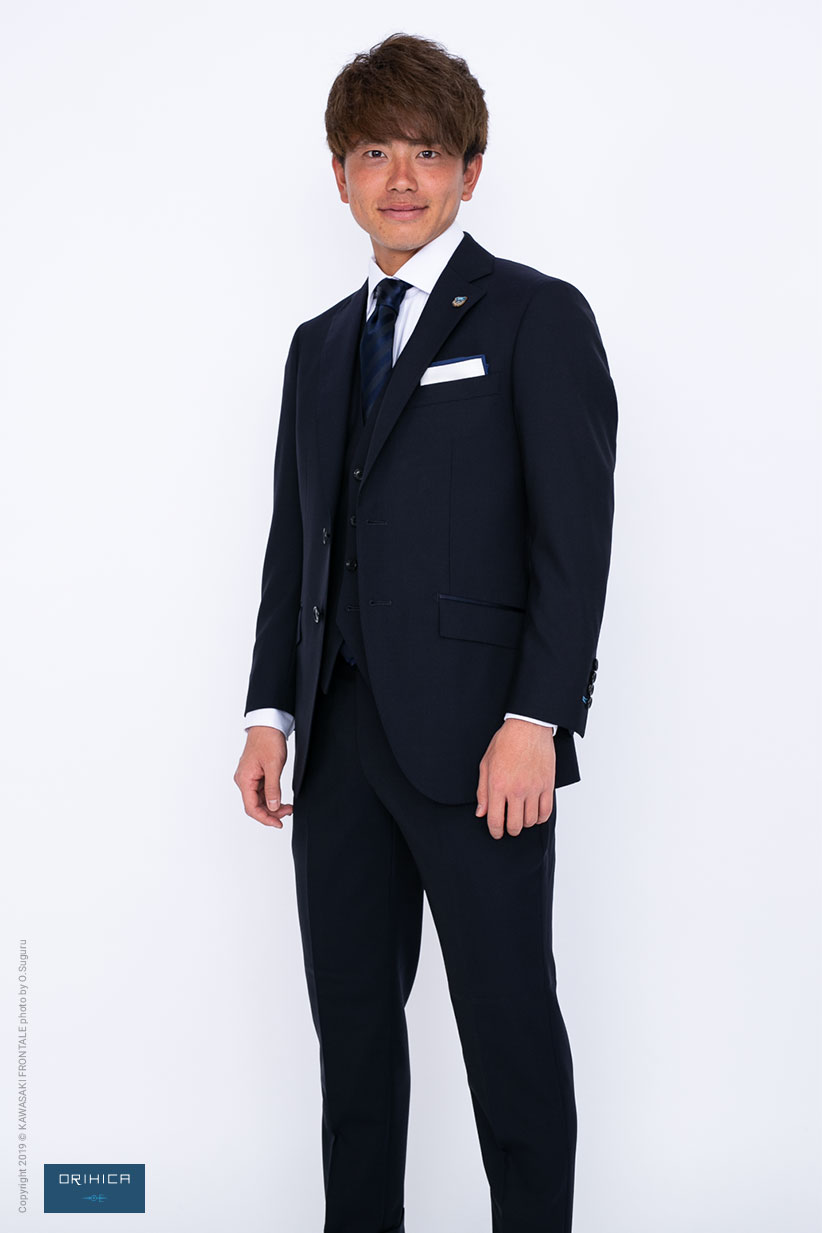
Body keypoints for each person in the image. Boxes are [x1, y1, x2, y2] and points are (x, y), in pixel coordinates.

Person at [234, 32, 617, 1233]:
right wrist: (269, 712)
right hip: (337, 741)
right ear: (340, 175)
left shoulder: (536, 315)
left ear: (471, 171)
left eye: (429, 153)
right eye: (375, 154)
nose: (401, 178)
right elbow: (295, 542)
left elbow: (574, 540)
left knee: (508, 1023)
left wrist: (536, 720)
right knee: (352, 1035)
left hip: (481, 745)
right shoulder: (317, 345)